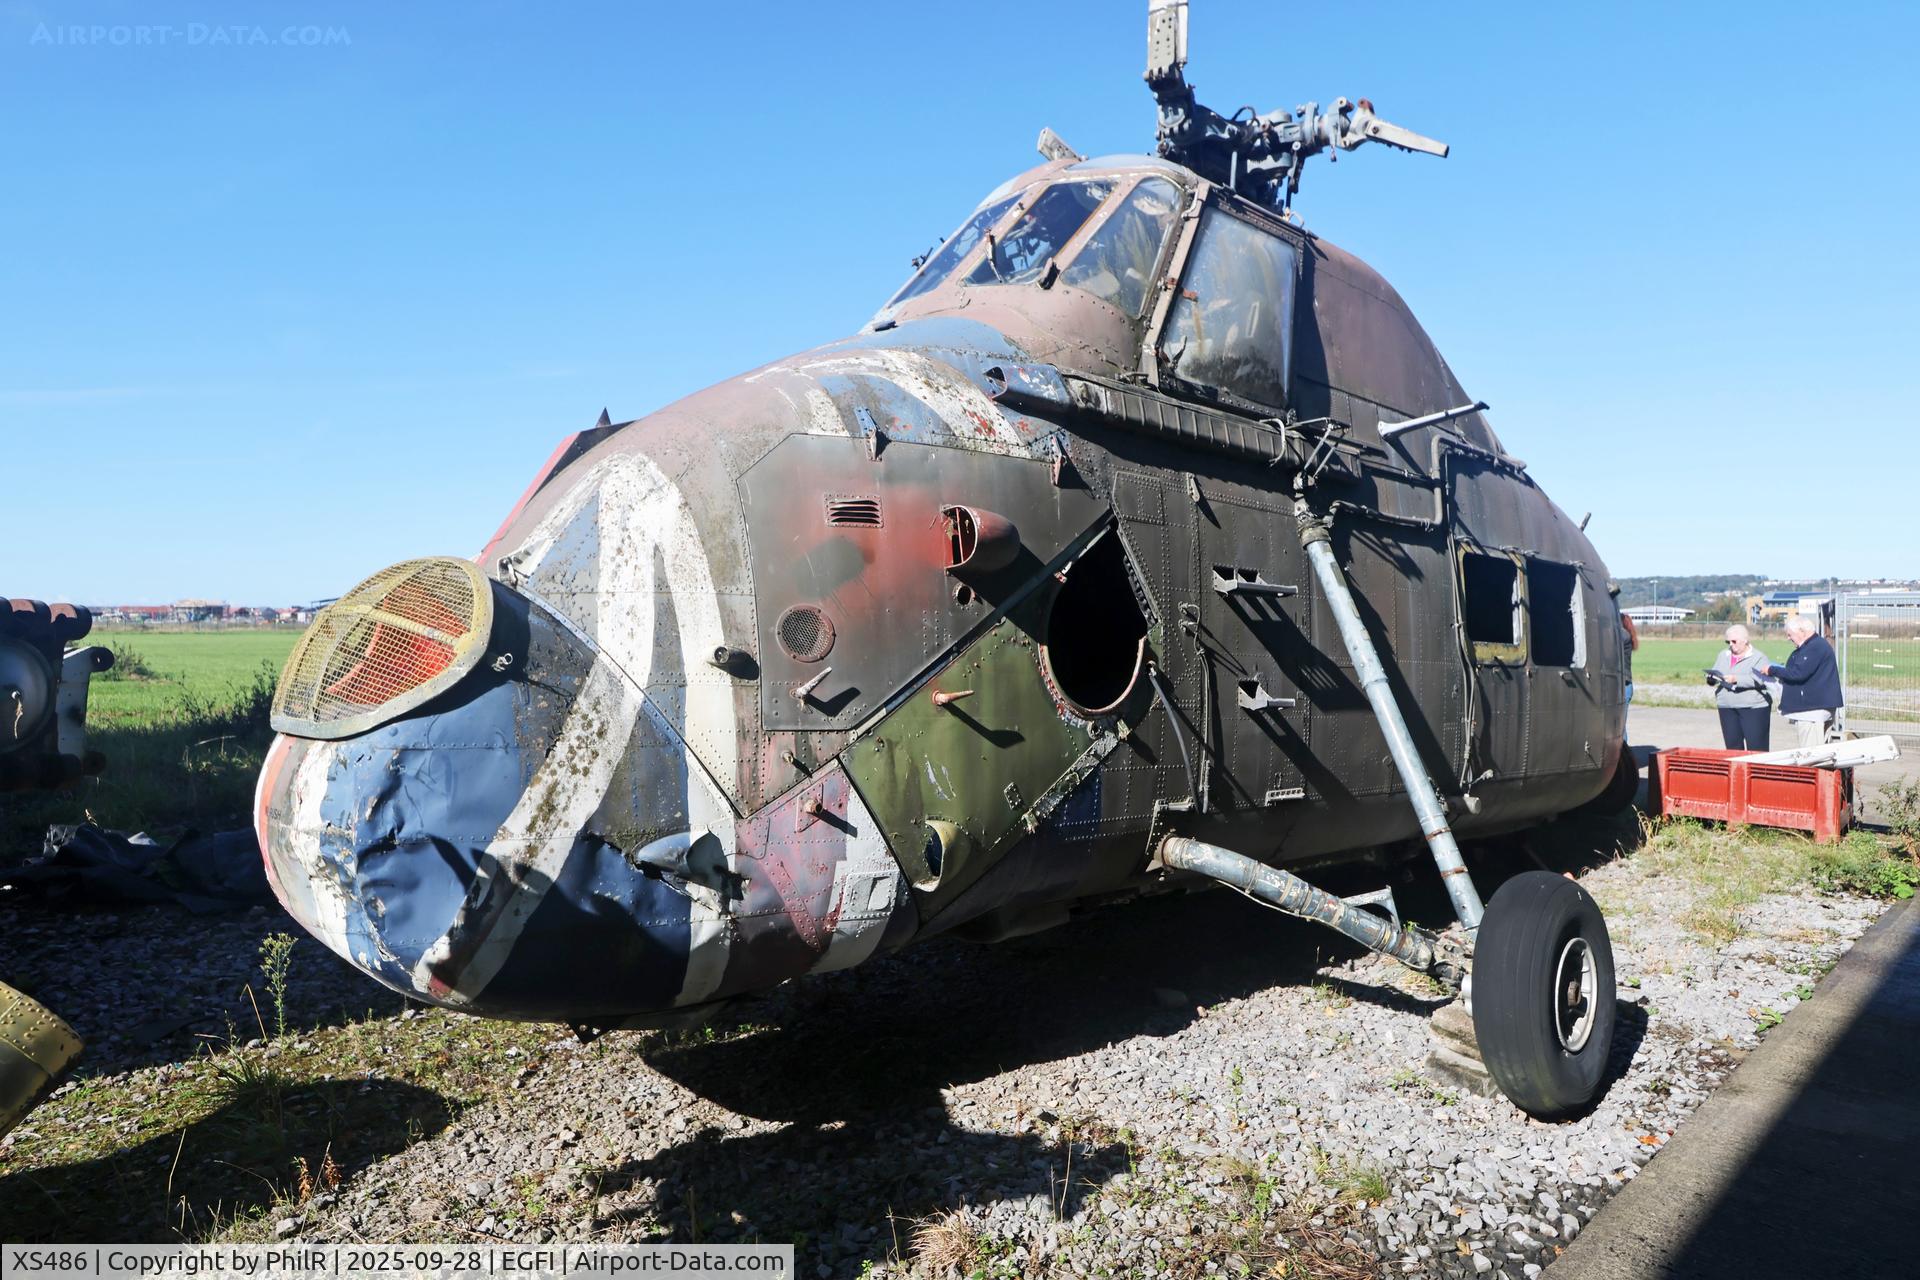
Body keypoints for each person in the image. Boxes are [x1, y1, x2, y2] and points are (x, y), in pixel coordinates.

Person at [1758, 614, 1843, 748]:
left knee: (1811, 754)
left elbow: (1798, 673)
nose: (1788, 638)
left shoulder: (1815, 647)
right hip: (1814, 709)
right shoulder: (1814, 645)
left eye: (1790, 634)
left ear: (1802, 632)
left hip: (1812, 712)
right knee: (1820, 751)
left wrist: (1772, 670)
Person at [1706, 624, 1774, 750]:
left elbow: (1760, 679)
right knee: (1732, 747)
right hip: (1727, 706)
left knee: (1757, 748)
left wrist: (1736, 679)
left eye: (1734, 641)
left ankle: (1757, 770)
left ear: (1745, 640)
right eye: (1728, 641)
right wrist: (1711, 679)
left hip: (1753, 707)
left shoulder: (1759, 657)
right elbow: (1716, 671)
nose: (1731, 644)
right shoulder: (1723, 655)